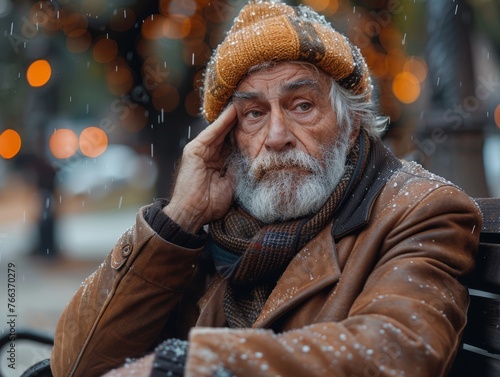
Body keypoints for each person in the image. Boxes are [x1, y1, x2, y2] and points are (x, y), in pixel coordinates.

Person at [51, 1, 482, 376]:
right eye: (253, 114)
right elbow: (76, 365)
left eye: (301, 105)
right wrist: (178, 219)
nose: (277, 136)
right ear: (228, 138)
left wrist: (199, 365)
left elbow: (397, 353)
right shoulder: (217, 231)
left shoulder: (421, 210)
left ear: (351, 126)